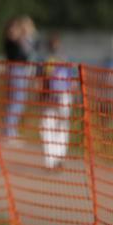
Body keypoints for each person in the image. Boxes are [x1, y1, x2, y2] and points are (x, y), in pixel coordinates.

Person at [39, 34, 74, 170]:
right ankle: (53, 159)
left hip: (59, 96)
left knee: (56, 127)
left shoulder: (49, 59)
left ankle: (56, 159)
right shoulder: (48, 59)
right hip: (54, 96)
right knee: (50, 126)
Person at [2, 15, 38, 140]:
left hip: (20, 70)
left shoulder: (20, 40)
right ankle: (9, 131)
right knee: (16, 101)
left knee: (18, 101)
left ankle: (10, 129)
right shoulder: (12, 40)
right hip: (16, 70)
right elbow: (22, 51)